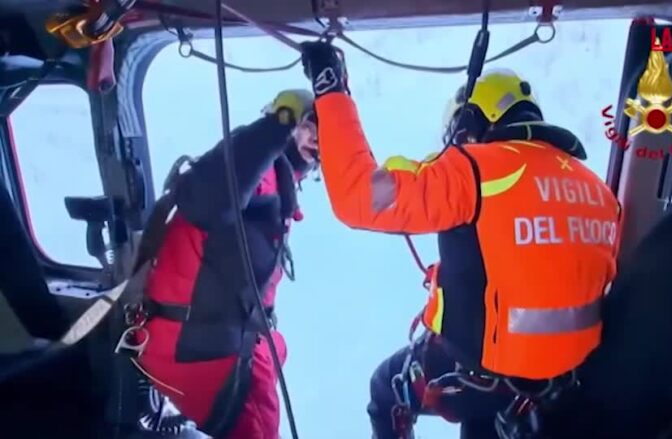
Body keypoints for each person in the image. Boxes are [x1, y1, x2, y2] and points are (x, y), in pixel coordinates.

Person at [298, 41, 622, 438]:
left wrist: (330, 88)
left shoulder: (474, 169)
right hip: (563, 381)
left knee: (386, 390)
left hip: (481, 374)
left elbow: (359, 197)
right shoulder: (600, 192)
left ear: (472, 120)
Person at [134, 89, 319, 439]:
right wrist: (275, 126)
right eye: (310, 123)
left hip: (203, 347)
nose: (317, 141)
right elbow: (208, 201)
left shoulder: (276, 183)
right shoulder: (259, 167)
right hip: (198, 352)